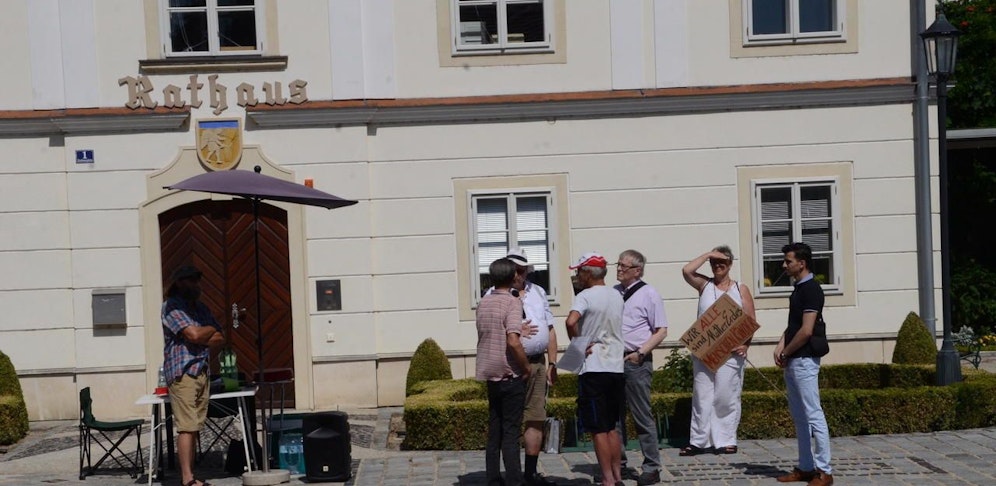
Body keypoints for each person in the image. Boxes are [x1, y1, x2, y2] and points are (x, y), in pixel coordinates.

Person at [680, 245, 755, 456]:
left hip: (730, 353)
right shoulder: (704, 285)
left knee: (726, 396)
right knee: (702, 396)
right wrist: (707, 254)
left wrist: (746, 344)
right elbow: (687, 271)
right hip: (704, 352)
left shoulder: (740, 289)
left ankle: (725, 439)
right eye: (714, 263)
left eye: (722, 262)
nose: (717, 266)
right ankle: (698, 441)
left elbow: (750, 319)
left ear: (730, 264)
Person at [774, 242, 833, 486]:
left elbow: (807, 331)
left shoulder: (811, 290)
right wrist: (780, 345)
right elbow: (794, 325)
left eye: (788, 261)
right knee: (800, 416)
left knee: (813, 414)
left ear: (802, 263)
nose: (784, 265)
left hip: (805, 359)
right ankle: (806, 467)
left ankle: (824, 471)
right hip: (794, 358)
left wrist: (786, 352)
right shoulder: (798, 288)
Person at [564, 252, 625, 486]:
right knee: (612, 427)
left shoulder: (586, 296)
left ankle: (607, 479)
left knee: (598, 428)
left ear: (589, 273)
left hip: (594, 366)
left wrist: (578, 343)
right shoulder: (617, 295)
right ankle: (618, 476)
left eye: (579, 271)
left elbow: (570, 321)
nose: (577, 276)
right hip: (615, 366)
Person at [161, 265, 225, 486]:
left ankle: (192, 475)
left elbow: (219, 336)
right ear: (179, 283)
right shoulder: (172, 307)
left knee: (195, 424)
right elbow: (194, 334)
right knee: (187, 426)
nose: (196, 285)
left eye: (197, 281)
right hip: (183, 372)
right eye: (191, 281)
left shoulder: (200, 308)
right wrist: (205, 331)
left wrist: (203, 333)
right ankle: (187, 479)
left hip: (202, 371)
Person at [502, 249, 558, 486]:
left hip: (536, 362)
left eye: (523, 270)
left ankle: (531, 473)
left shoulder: (539, 292)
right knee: (511, 419)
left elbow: (550, 328)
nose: (519, 274)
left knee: (536, 417)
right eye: (515, 270)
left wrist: (553, 362)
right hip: (511, 363)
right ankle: (513, 474)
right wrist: (516, 331)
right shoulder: (498, 294)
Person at [612, 250, 667, 485]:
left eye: (624, 266)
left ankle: (652, 467)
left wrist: (641, 352)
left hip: (637, 361)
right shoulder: (613, 293)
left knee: (641, 416)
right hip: (613, 360)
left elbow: (661, 330)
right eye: (618, 264)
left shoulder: (649, 294)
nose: (619, 269)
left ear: (638, 270)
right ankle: (619, 464)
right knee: (614, 417)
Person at [476, 257, 532, 486]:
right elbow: (513, 341)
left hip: (489, 370)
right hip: (509, 372)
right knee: (510, 431)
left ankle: (493, 478)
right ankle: (515, 480)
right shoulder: (512, 302)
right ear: (513, 277)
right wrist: (526, 367)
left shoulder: (483, 302)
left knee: (495, 428)